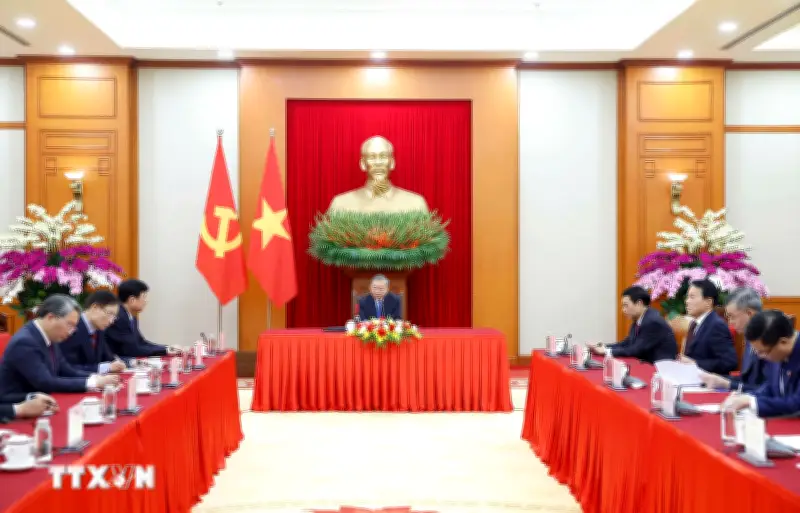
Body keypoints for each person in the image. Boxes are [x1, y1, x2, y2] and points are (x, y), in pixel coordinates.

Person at [0, 294, 120, 398]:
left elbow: (66, 370)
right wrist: (93, 383)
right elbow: (45, 382)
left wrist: (97, 378)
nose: (72, 332)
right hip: (17, 404)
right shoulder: (25, 341)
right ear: (51, 318)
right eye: (70, 325)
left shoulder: (51, 336)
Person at [723, 310, 800, 418]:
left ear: (783, 342)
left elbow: (796, 403)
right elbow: (771, 386)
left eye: (762, 352)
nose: (760, 357)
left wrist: (752, 402)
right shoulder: (775, 352)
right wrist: (747, 396)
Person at [327, 136, 429, 213]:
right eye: (372, 157)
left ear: (392, 163)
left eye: (383, 156)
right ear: (363, 164)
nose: (378, 163)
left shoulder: (416, 204)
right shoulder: (340, 205)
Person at [699, 287, 767, 392]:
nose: (730, 322)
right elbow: (746, 378)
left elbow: (766, 390)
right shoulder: (749, 338)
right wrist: (718, 378)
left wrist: (728, 384)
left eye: (732, 317)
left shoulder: (769, 340)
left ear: (750, 314)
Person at [589, 286, 677, 363]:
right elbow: (628, 342)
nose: (623, 310)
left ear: (639, 303)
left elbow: (636, 350)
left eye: (626, 305)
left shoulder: (652, 321)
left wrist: (606, 351)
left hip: (660, 369)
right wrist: (603, 346)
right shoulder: (639, 319)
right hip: (646, 363)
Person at [104, 279, 180, 357]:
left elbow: (141, 342)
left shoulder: (131, 318)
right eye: (144, 297)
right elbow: (132, 350)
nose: (146, 301)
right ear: (132, 300)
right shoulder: (119, 318)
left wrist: (167, 348)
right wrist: (165, 351)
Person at [679, 279, 738, 375]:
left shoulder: (717, 325)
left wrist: (695, 364)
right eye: (687, 297)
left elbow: (729, 362)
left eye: (692, 297)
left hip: (709, 380)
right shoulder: (694, 324)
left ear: (708, 302)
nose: (687, 301)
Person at [59, 290, 127, 373]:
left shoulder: (99, 330)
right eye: (110, 314)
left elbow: (109, 358)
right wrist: (104, 368)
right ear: (95, 307)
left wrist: (126, 363)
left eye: (114, 317)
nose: (111, 321)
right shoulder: (73, 328)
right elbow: (67, 368)